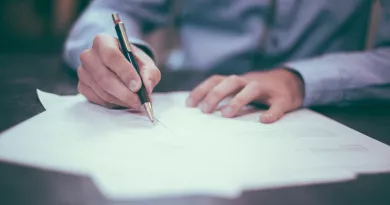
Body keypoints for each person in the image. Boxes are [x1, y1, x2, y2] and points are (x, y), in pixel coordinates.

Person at [64, 0, 390, 124]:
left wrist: (299, 79)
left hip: (330, 107)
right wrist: (121, 55)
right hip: (195, 98)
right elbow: (111, 9)